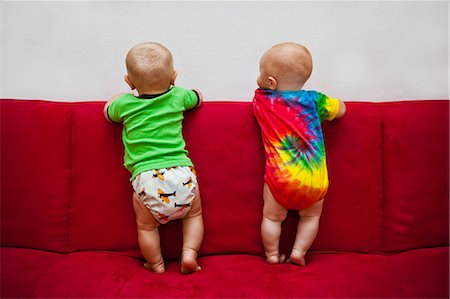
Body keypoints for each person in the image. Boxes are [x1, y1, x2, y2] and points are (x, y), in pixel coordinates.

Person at [104, 42, 204, 274]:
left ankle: (157, 264)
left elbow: (108, 113)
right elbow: (198, 97)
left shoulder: (125, 104)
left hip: (148, 179)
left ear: (129, 81)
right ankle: (189, 254)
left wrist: (121, 96)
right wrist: (181, 89)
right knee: (194, 215)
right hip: (183, 174)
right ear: (174, 76)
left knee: (147, 228)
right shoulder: (179, 95)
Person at [253, 42, 346, 266]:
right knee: (311, 216)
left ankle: (272, 255)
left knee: (272, 217)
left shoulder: (262, 101)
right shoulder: (314, 100)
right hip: (313, 178)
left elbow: (258, 94)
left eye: (261, 73)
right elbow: (341, 110)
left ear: (270, 82)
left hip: (281, 179)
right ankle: (298, 252)